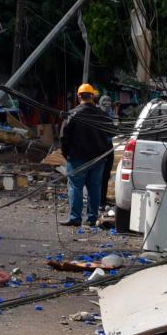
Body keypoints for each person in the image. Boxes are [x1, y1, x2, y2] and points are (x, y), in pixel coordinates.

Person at [59, 83, 114, 227]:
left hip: (77, 158)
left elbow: (64, 138)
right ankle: (91, 219)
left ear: (78, 96)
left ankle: (75, 218)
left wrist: (67, 154)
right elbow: (112, 134)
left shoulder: (72, 114)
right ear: (93, 97)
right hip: (98, 159)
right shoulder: (103, 116)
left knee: (75, 187)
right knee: (94, 188)